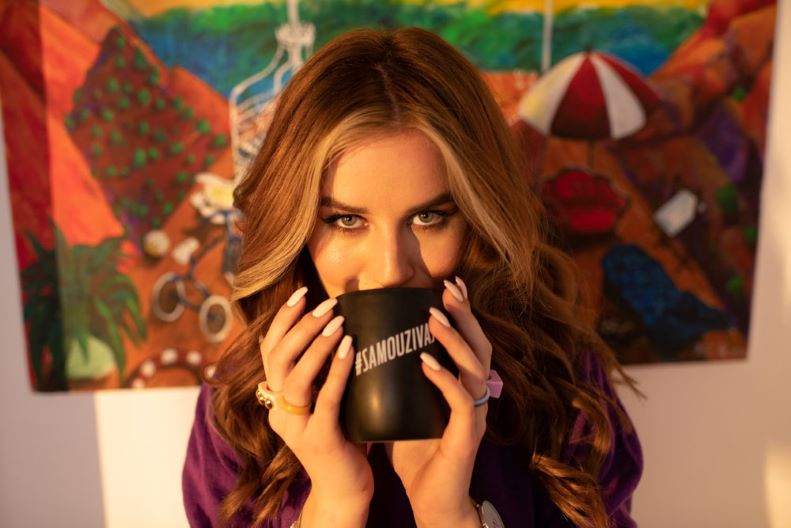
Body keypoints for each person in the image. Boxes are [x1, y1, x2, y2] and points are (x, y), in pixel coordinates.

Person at [183, 26, 643, 528]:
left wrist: (449, 512)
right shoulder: (241, 408)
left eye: (428, 217)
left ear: (478, 219)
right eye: (346, 220)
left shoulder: (560, 385)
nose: (390, 270)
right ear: (296, 226)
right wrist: (335, 504)